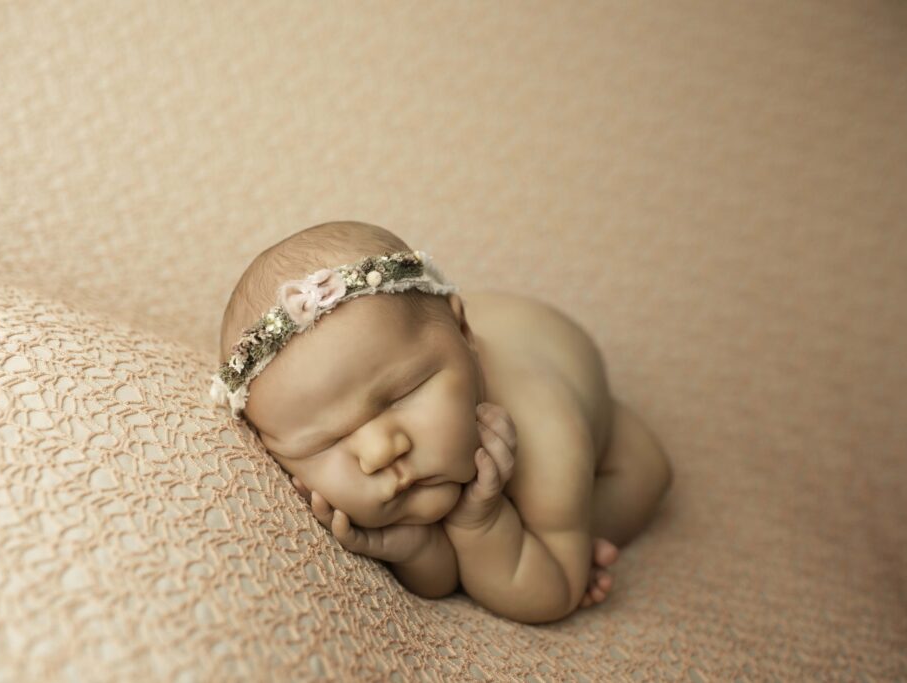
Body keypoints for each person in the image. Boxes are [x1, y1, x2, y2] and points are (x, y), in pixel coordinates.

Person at [212, 220, 672, 624]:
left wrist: (484, 525)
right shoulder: (412, 408)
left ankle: (564, 532)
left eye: (402, 394)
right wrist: (414, 549)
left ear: (464, 335)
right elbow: (441, 581)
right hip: (429, 335)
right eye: (325, 441)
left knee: (645, 475)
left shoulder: (549, 432)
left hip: (564, 382)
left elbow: (551, 597)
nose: (380, 452)